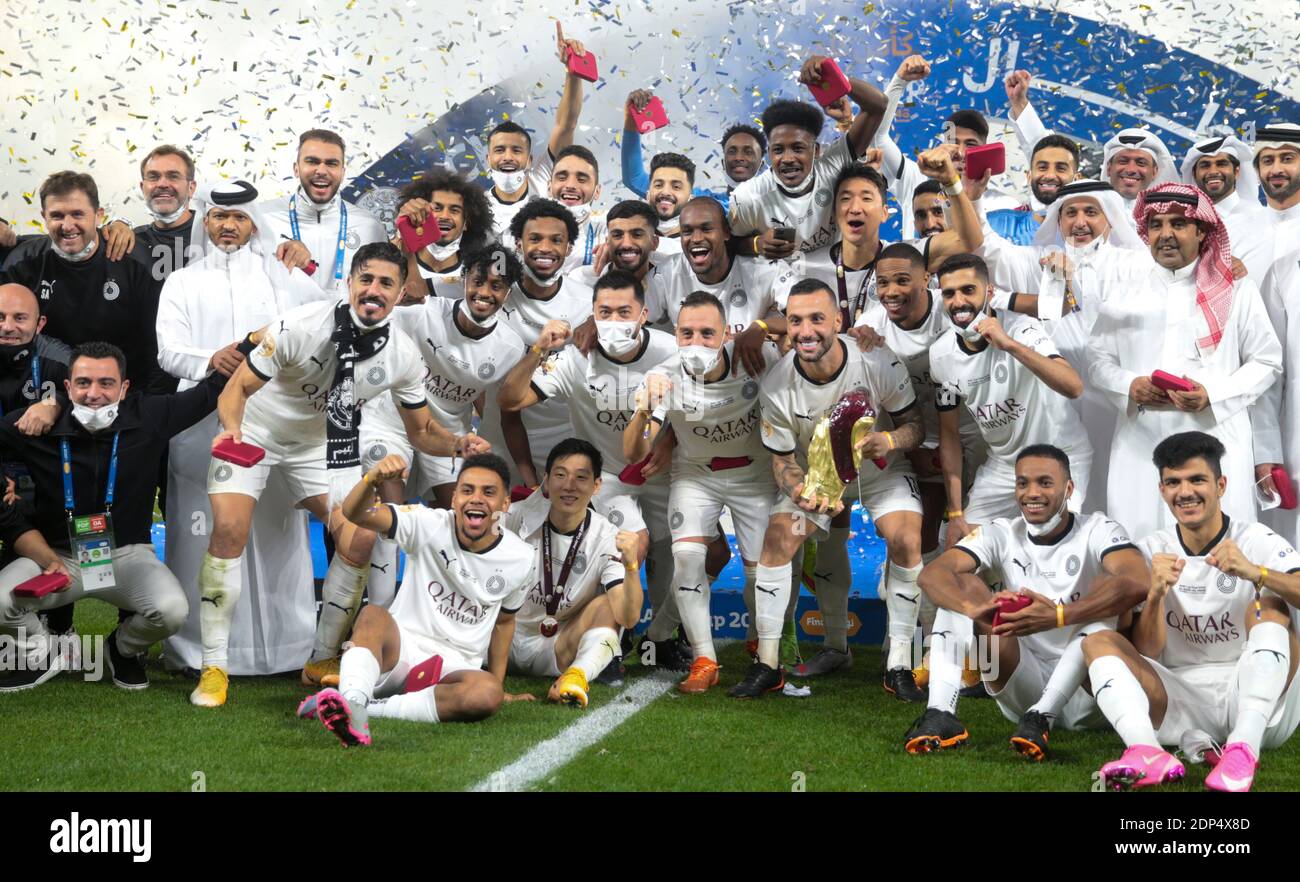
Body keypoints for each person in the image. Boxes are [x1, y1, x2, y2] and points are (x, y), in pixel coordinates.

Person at [191, 242, 488, 708]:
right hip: (255, 430)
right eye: (365, 279)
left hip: (321, 445)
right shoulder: (300, 326)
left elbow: (423, 430)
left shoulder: (403, 356)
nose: (374, 290)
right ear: (349, 283)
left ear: (400, 291)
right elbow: (237, 389)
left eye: (387, 283)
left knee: (360, 538)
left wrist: (457, 443)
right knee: (229, 529)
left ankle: (321, 659)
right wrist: (232, 431)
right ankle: (213, 667)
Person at [155, 181, 329, 676]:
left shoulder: (283, 275)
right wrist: (209, 358)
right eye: (218, 218)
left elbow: (326, 319)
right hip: (200, 426)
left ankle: (288, 650)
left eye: (238, 218)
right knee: (203, 533)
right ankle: (198, 652)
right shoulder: (182, 282)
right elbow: (168, 351)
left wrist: (308, 265)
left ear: (254, 223)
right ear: (205, 223)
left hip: (274, 427)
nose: (228, 226)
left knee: (278, 534)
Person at [0, 341, 240, 690]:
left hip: (125, 555)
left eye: (106, 383)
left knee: (172, 610)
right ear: (67, 387)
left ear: (124, 388)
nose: (93, 393)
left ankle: (121, 649)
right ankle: (42, 651)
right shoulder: (38, 422)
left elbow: (208, 393)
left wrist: (250, 346)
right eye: (83, 383)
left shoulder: (150, 416)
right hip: (56, 558)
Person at [1089, 432, 1300, 792]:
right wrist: (1155, 594)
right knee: (1097, 641)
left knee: (1268, 605)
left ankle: (1244, 747)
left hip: (1250, 696)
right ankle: (1147, 751)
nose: (1185, 492)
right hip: (1178, 697)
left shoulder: (1255, 540)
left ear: (1220, 485)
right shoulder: (1152, 550)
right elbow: (1149, 651)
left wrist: (1256, 573)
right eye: (1173, 482)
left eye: (1197, 480)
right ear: (1161, 490)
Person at [905, 445, 1148, 756]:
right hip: (1021, 683)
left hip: (1092, 692)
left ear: (1069, 488)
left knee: (1108, 587)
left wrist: (1060, 615)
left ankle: (1042, 716)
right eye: (1023, 483)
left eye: (1045, 483)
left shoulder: (1097, 529)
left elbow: (1138, 582)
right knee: (961, 586)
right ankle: (941, 713)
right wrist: (974, 609)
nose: (1032, 493)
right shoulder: (1002, 532)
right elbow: (932, 575)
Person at [747, 278, 926, 698]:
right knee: (777, 542)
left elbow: (916, 426)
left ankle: (898, 664)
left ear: (839, 321)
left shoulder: (875, 358)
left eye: (816, 319)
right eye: (795, 321)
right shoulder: (776, 384)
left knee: (905, 539)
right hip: (819, 477)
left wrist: (891, 441)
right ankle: (770, 664)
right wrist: (798, 492)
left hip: (879, 473)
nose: (805, 331)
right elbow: (783, 461)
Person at [498, 270, 683, 669]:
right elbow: (509, 400)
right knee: (632, 542)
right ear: (592, 315)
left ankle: (660, 635)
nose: (614, 321)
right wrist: (537, 351)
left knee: (691, 553)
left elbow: (693, 410)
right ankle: (611, 637)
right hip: (610, 478)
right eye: (604, 312)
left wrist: (671, 441)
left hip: (663, 469)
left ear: (644, 313)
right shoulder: (573, 359)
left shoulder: (671, 351)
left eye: (624, 312)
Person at [295, 453, 533, 745]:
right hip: (400, 650)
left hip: (456, 668)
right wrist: (372, 480)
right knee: (373, 616)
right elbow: (356, 514)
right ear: (455, 496)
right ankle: (354, 706)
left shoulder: (521, 557)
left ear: (505, 504)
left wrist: (499, 683)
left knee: (486, 693)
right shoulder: (427, 523)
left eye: (489, 492)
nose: (477, 499)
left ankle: (360, 706)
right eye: (468, 490)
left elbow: (505, 622)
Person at [1088, 184, 1281, 540]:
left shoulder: (1237, 290)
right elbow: (1097, 359)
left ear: (1202, 230)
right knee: (1140, 546)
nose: (1166, 234)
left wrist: (1215, 393)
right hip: (1139, 445)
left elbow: (1267, 360)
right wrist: (1129, 385)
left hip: (1216, 436)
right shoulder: (1126, 290)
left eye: (1178, 224)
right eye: (1157, 225)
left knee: (1223, 556)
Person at [625, 291, 782, 692]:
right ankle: (704, 659)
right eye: (686, 333)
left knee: (758, 574)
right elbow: (635, 451)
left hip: (756, 477)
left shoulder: (753, 358)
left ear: (727, 332)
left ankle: (762, 642)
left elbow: (793, 327)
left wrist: (762, 327)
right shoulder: (663, 375)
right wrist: (646, 412)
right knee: (688, 558)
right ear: (675, 334)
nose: (696, 343)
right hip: (696, 475)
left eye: (707, 334)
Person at [358, 246, 525, 608]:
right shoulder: (419, 314)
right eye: (478, 281)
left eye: (497, 286)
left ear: (507, 293)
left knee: (467, 517)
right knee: (391, 515)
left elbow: (486, 400)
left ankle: (452, 613)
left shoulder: (511, 346)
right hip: (393, 420)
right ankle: (381, 614)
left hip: (448, 434)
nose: (485, 292)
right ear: (464, 281)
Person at [930, 254, 1091, 541]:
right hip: (1004, 466)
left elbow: (1073, 386)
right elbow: (949, 435)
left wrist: (1010, 345)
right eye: (949, 293)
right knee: (961, 548)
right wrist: (955, 513)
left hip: (1061, 457)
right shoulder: (940, 356)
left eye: (968, 290)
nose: (958, 302)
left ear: (989, 292)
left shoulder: (1022, 329)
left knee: (1051, 544)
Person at [500, 438, 642, 708]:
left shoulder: (606, 536)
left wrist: (631, 566)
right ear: (546, 480)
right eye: (560, 475)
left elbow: (628, 616)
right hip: (501, 640)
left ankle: (576, 677)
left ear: (596, 486)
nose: (568, 485)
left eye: (581, 477)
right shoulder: (514, 518)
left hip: (558, 648)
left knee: (609, 605)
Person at [775, 151, 984, 330]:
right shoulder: (803, 266)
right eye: (845, 199)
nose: (855, 208)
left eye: (866, 198)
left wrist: (950, 182)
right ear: (835, 212)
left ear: (885, 213)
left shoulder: (907, 258)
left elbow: (968, 241)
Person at [0, 171, 168, 393]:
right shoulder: (22, 263)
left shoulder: (136, 263)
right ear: (44, 216)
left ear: (99, 215)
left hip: (122, 393)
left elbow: (159, 347)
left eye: (78, 214)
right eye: (57, 216)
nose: (68, 225)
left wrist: (145, 409)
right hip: (47, 391)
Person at [730, 56, 888, 257]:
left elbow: (878, 106)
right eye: (778, 150)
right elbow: (729, 244)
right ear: (768, 153)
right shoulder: (748, 197)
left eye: (798, 148)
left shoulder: (832, 166)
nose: (787, 158)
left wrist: (835, 78)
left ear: (816, 151)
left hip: (838, 280)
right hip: (783, 286)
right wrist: (756, 244)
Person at [483, 200, 594, 485]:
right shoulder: (495, 296)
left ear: (569, 249)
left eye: (556, 240)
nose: (545, 247)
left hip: (568, 436)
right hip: (501, 437)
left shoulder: (588, 301)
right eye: (535, 238)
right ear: (518, 244)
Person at [644, 197, 789, 375]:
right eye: (687, 231)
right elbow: (631, 325)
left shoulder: (765, 270)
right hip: (692, 384)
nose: (696, 238)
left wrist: (762, 326)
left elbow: (815, 318)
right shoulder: (666, 274)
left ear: (726, 233)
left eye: (706, 229)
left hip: (751, 381)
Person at [485, 23, 589, 245]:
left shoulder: (542, 181)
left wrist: (572, 72)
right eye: (500, 150)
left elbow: (566, 124)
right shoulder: (477, 210)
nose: (508, 157)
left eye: (517, 150)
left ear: (530, 160)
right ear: (488, 158)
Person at [260, 129, 388, 293]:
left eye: (331, 163)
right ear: (296, 169)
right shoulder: (262, 219)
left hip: (346, 318)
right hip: (287, 318)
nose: (321, 171)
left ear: (343, 172)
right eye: (312, 161)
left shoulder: (371, 226)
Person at [620, 90, 760, 209]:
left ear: (762, 164)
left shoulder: (775, 205)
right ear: (723, 163)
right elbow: (634, 179)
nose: (739, 157)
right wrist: (631, 121)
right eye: (732, 151)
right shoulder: (700, 202)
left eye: (748, 152)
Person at [391, 169, 496, 301]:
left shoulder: (476, 279)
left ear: (466, 223)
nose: (445, 216)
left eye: (454, 210)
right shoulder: (394, 257)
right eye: (437, 208)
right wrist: (403, 231)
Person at [1180, 133, 1274, 280]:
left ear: (1236, 172)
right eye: (1205, 165)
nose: (1213, 172)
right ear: (1195, 174)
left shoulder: (1265, 220)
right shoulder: (1182, 222)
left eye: (1221, 164)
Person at [131, 145, 201, 281]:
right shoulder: (131, 242)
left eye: (173, 176)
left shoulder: (212, 237)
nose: (162, 184)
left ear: (191, 188)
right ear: (142, 187)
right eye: (153, 177)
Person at [547, 145, 607, 273]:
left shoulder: (608, 232)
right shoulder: (522, 233)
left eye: (582, 179)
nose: (570, 185)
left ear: (597, 191)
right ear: (549, 187)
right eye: (562, 178)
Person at [1253, 123, 1300, 256]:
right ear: (1257, 170)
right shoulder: (1237, 231)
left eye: (1287, 159)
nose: (1276, 170)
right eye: (1268, 161)